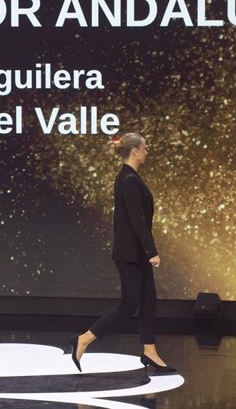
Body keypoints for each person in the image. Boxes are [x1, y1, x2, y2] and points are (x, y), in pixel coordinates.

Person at [69, 133, 175, 373]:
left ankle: (150, 351)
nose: (147, 151)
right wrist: (152, 251)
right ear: (135, 151)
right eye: (145, 148)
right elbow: (137, 221)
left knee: (148, 301)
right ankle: (84, 339)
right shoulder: (127, 180)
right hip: (130, 254)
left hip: (136, 253)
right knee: (129, 305)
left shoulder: (131, 178)